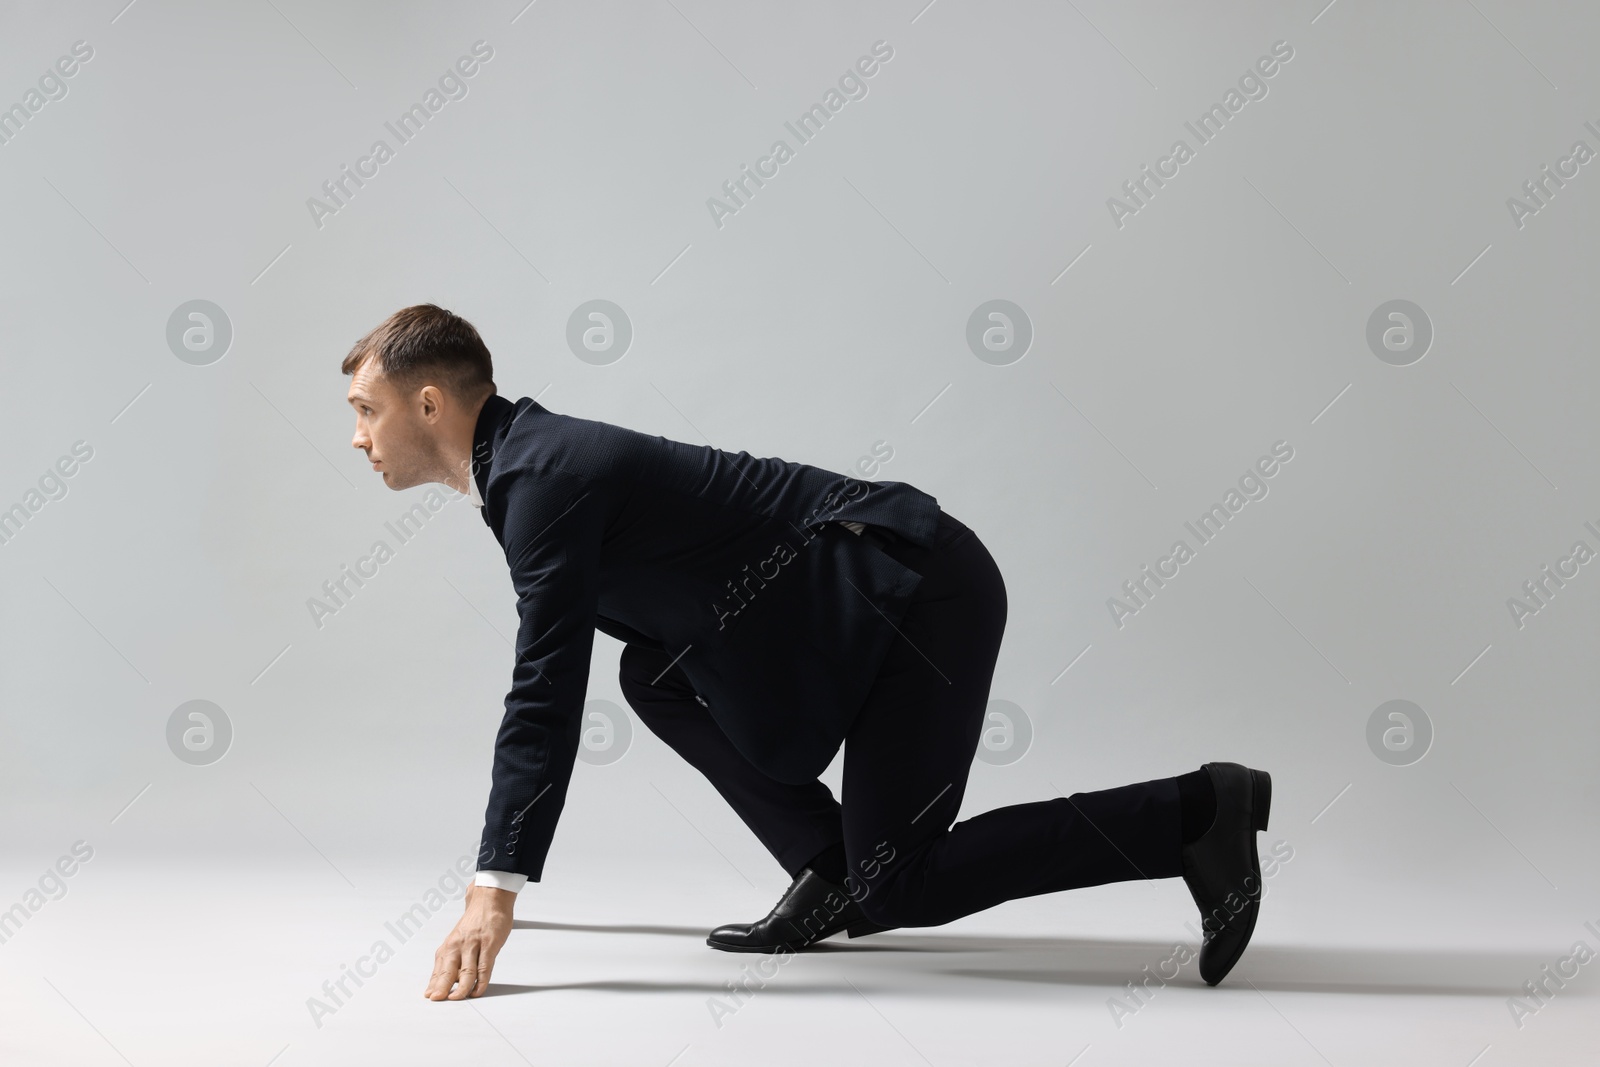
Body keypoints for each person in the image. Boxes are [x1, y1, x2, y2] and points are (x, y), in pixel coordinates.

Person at [339, 304, 1274, 1003]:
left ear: (428, 402)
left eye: (367, 410)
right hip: (838, 614)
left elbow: (543, 691)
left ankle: (1195, 811)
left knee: (904, 884)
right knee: (651, 671)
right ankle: (828, 870)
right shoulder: (522, 472)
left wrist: (491, 891)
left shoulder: (541, 479)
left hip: (913, 593)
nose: (358, 437)